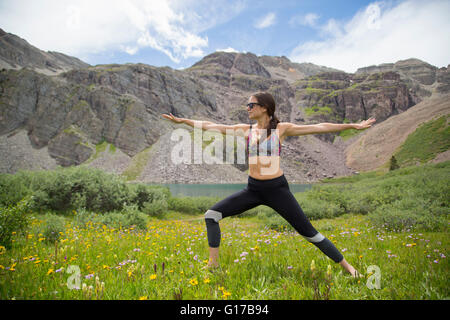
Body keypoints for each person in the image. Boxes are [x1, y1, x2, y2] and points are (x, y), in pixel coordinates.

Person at [161, 92, 376, 277]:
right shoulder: (246, 130)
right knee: (211, 215)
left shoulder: (281, 129)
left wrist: (353, 125)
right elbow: (211, 126)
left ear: (264, 108)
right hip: (253, 189)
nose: (247, 108)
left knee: (309, 233)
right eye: (247, 105)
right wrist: (183, 121)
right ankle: (213, 264)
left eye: (251, 105)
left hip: (277, 190)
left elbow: (319, 127)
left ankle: (349, 268)